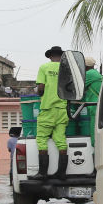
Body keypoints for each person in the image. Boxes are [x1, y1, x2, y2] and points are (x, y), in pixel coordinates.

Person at [33, 45, 68, 180]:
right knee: (61, 140)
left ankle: (43, 173)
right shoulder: (66, 69)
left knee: (41, 139)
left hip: (48, 109)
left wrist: (39, 92)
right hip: (62, 109)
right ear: (61, 56)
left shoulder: (44, 68)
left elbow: (40, 88)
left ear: (50, 56)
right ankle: (62, 173)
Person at [81, 56, 103, 145]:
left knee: (94, 129)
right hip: (98, 104)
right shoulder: (95, 73)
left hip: (95, 106)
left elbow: (78, 87)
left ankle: (95, 151)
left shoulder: (90, 74)